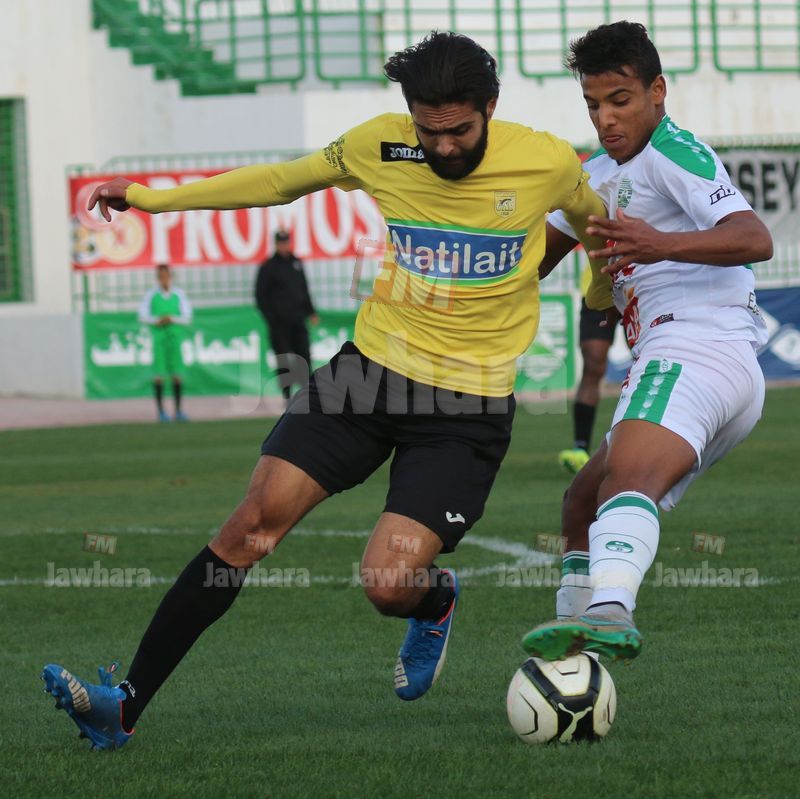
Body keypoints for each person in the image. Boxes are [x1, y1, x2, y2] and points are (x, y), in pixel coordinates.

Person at [41, 31, 613, 750]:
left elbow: (597, 225)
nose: (443, 148)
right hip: (366, 375)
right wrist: (152, 200)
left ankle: (433, 600)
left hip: (465, 408)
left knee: (387, 582)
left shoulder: (546, 161)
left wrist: (601, 292)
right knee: (249, 525)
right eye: (429, 132)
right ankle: (122, 706)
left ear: (490, 108)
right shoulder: (381, 144)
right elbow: (279, 181)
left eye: (460, 132)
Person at [521, 21, 772, 659]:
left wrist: (660, 245)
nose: (606, 118)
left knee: (624, 483)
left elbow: (754, 237)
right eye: (593, 104)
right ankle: (574, 661)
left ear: (657, 91)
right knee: (582, 503)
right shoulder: (593, 174)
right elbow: (530, 264)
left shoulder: (674, 152)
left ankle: (611, 609)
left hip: (696, 348)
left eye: (620, 100)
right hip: (696, 363)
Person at [549, 264, 616, 474]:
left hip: (640, 287)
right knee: (593, 365)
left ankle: (644, 445)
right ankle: (580, 447)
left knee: (644, 362)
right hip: (597, 289)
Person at [254, 230, 319, 400]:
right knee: (283, 359)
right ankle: (287, 395)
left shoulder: (296, 263)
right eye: (281, 243)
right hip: (279, 323)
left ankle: (306, 394)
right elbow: (260, 296)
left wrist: (311, 311)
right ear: (276, 244)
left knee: (304, 356)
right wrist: (271, 318)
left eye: (286, 242)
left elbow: (304, 288)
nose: (284, 246)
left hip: (298, 320)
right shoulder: (268, 267)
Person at [137, 263, 193, 422]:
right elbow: (142, 315)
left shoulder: (179, 294)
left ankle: (178, 411)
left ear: (171, 276)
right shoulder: (151, 295)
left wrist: (172, 318)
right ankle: (161, 412)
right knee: (159, 376)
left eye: (166, 276)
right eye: (160, 276)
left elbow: (187, 317)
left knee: (177, 375)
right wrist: (156, 320)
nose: (163, 279)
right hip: (159, 339)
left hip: (174, 338)